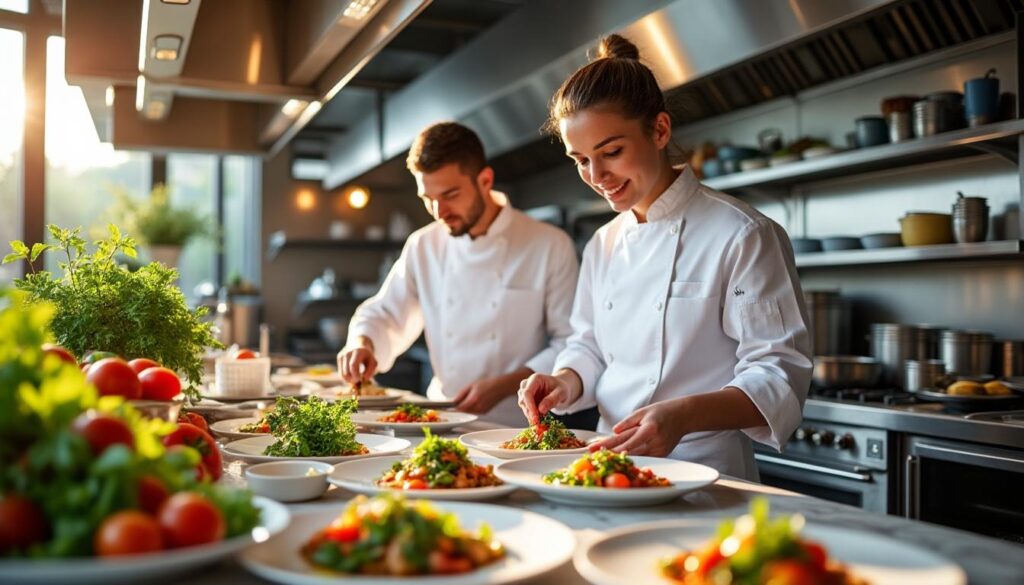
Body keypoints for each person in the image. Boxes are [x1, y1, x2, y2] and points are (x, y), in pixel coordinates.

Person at [517, 34, 812, 480]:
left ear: (659, 130)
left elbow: (778, 373)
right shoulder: (604, 242)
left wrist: (684, 415)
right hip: (606, 465)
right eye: (580, 159)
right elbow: (590, 345)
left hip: (706, 471)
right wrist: (565, 381)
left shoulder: (742, 233)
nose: (597, 177)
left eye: (611, 152)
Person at [338, 122, 579, 426]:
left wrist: (504, 386)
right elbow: (386, 313)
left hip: (516, 424)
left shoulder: (549, 244)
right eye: (428, 198)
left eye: (450, 194)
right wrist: (363, 342)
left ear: (485, 180)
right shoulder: (423, 245)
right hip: (440, 417)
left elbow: (569, 343)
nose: (439, 212)